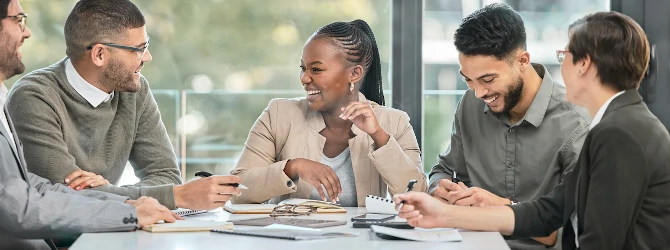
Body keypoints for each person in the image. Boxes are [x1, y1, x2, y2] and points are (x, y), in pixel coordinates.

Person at [0, 1, 178, 249]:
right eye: (18, 20)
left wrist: (126, 204)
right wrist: (127, 214)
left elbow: (33, 187)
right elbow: (17, 209)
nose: (26, 32)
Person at [395, 11, 670, 250]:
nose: (559, 66)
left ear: (584, 64)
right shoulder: (616, 123)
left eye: (565, 55)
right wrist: (442, 214)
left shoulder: (618, 133)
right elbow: (547, 212)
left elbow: (597, 241)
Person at [7, 0, 242, 211]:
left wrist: (109, 191)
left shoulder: (134, 91)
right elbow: (67, 197)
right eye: (139, 49)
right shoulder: (32, 97)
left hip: (112, 228)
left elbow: (166, 174)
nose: (148, 57)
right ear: (99, 54)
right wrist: (177, 196)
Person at [426, 3, 590, 248]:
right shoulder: (470, 104)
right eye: (468, 79)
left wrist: (500, 207)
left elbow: (571, 231)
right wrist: (439, 187)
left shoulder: (575, 122)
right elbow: (444, 169)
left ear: (522, 60)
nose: (479, 92)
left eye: (488, 79)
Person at [230, 20, 425, 207]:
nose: (304, 78)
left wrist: (379, 136)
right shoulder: (278, 114)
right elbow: (237, 189)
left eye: (316, 69)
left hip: (361, 240)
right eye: (303, 69)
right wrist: (292, 167)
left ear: (354, 74)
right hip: (289, 238)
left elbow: (419, 198)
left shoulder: (395, 122)